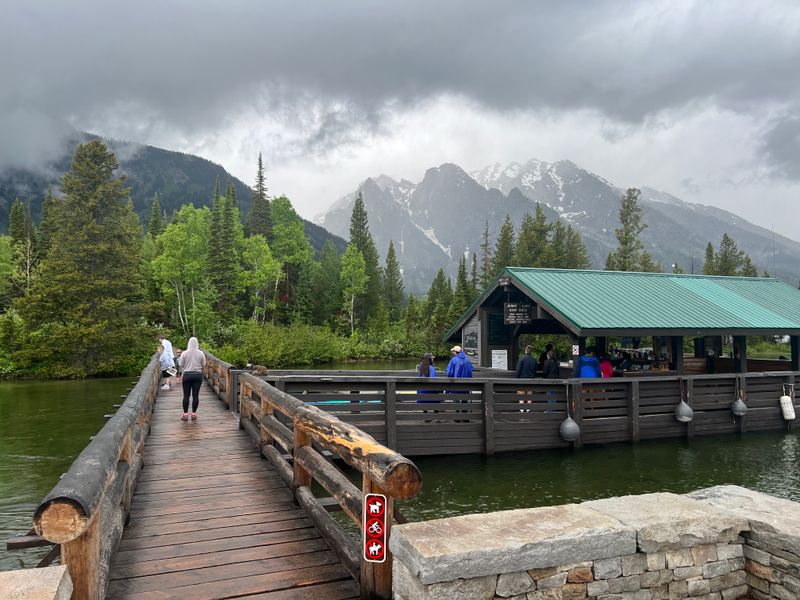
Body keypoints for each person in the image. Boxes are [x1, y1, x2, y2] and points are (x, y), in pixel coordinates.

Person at [179, 336, 207, 422]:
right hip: (197, 375)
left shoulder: (184, 353)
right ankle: (194, 414)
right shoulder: (201, 353)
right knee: (195, 395)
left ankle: (185, 414)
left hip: (187, 375)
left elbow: (181, 364)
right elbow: (204, 364)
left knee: (186, 395)